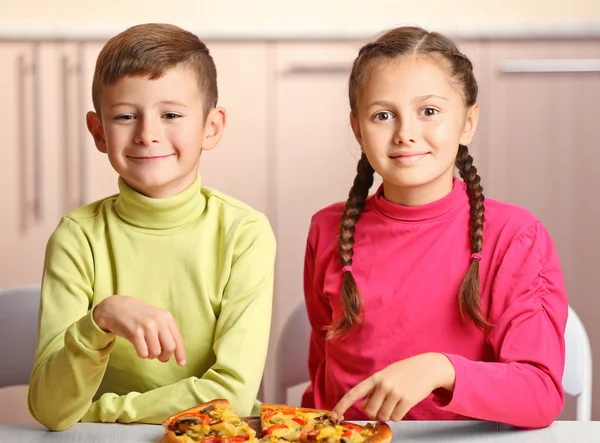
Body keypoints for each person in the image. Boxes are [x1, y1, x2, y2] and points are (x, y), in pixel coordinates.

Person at [301, 26, 567, 429]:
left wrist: (442, 369)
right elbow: (321, 379)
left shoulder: (516, 236)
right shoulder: (327, 229)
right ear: (358, 130)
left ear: (468, 122)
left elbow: (540, 392)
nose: (405, 133)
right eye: (383, 115)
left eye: (429, 111)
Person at [28, 23, 276, 431]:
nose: (147, 134)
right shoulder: (77, 236)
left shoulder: (244, 233)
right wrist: (99, 320)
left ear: (210, 127)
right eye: (126, 116)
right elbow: (51, 409)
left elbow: (232, 393)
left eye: (171, 115)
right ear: (98, 131)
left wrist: (102, 411)